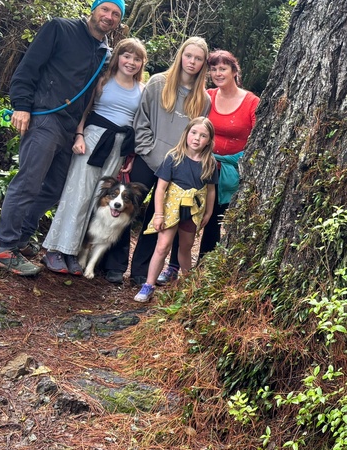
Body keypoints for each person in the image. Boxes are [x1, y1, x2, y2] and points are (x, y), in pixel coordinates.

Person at [0, 0, 125, 276]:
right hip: (45, 116)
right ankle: (4, 248)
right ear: (94, 9)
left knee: (53, 188)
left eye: (116, 14)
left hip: (70, 127)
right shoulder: (60, 29)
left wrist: (79, 131)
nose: (109, 17)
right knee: (28, 182)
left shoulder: (104, 52)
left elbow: (90, 95)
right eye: (105, 10)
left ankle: (21, 238)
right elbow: (28, 67)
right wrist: (21, 106)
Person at [105, 37, 210, 285]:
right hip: (148, 158)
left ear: (203, 63)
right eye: (188, 56)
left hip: (176, 170)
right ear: (180, 56)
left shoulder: (203, 99)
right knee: (125, 208)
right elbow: (141, 120)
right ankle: (114, 265)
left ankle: (141, 271)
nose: (192, 62)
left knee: (158, 219)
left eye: (198, 59)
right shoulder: (158, 82)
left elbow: (195, 137)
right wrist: (147, 150)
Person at [40, 38, 147, 276]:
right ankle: (55, 249)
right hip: (93, 140)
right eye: (126, 56)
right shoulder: (103, 80)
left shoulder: (142, 90)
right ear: (117, 57)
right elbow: (84, 110)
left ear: (142, 63)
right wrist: (79, 135)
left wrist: (129, 155)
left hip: (118, 146)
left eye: (137, 59)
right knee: (78, 194)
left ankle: (75, 251)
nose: (131, 62)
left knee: (98, 200)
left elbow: (138, 123)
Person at [156, 49, 259, 284]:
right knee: (183, 212)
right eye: (213, 69)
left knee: (215, 220)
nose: (218, 73)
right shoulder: (207, 96)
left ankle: (204, 270)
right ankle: (173, 267)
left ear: (234, 71)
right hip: (199, 166)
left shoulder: (251, 102)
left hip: (231, 170)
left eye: (223, 68)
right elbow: (191, 126)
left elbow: (259, 138)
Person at [134, 117, 218, 302]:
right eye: (193, 133)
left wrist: (209, 212)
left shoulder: (209, 162)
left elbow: (211, 190)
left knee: (186, 246)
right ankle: (149, 285)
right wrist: (159, 214)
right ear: (186, 133)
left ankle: (188, 285)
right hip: (171, 208)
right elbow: (161, 188)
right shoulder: (173, 157)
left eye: (203, 135)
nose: (197, 138)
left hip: (192, 210)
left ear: (209, 141)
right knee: (162, 246)